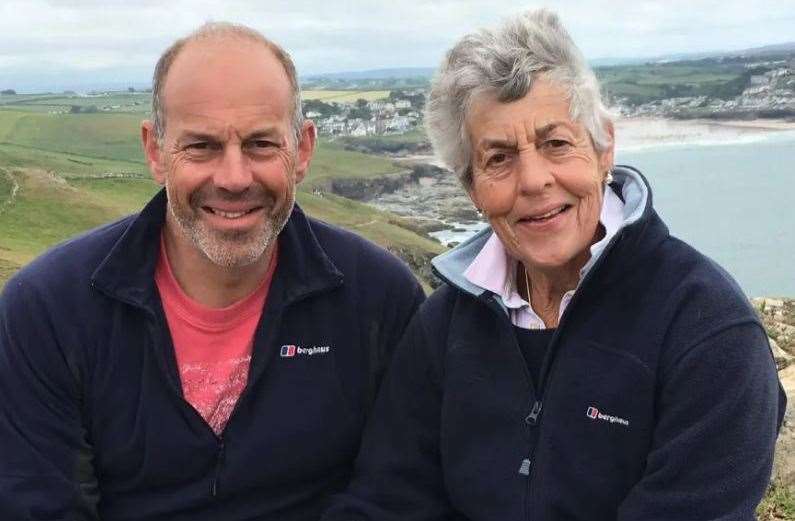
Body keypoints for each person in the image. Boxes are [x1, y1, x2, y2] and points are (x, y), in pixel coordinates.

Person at [323, 9, 785, 521]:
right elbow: (386, 501)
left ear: (604, 147)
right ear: (471, 188)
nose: (534, 180)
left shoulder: (708, 330)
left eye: (556, 143)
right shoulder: (445, 326)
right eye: (498, 158)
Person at [0, 23, 424, 520]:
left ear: (303, 150)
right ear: (156, 151)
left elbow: (398, 496)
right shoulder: (47, 311)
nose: (234, 178)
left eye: (262, 144)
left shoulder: (381, 300)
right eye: (200, 146)